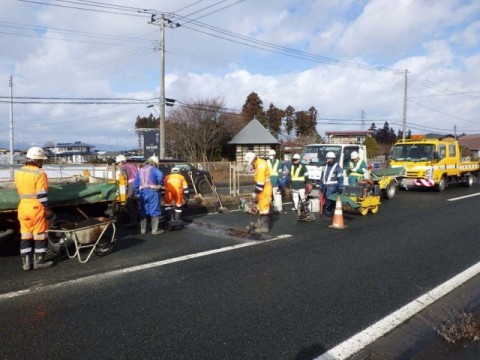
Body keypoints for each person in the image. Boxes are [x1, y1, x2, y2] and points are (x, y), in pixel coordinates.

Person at [14, 146, 54, 271]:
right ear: (37, 161)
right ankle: (39, 262)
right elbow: (41, 194)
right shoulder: (40, 173)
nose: (42, 163)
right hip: (36, 208)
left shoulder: (19, 172)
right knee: (40, 235)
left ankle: (26, 263)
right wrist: (47, 208)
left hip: (23, 207)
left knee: (25, 235)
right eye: (41, 160)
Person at [133, 155, 165, 235]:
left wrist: (137, 192)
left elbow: (135, 184)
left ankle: (143, 230)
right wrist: (160, 184)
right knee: (154, 210)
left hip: (142, 193)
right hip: (153, 192)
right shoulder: (154, 169)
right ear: (155, 163)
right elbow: (160, 175)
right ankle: (154, 230)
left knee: (143, 210)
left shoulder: (140, 170)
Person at [245, 151, 272, 233]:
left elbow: (260, 183)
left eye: (251, 163)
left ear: (253, 160)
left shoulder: (260, 166)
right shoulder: (259, 163)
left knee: (264, 208)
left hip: (265, 188)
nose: (251, 165)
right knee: (261, 206)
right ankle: (260, 223)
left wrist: (255, 192)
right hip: (263, 188)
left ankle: (264, 227)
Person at [116, 155, 139, 227]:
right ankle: (138, 219)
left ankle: (133, 222)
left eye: (118, 163)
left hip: (131, 186)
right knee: (136, 203)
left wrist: (123, 190)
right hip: (137, 185)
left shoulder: (123, 167)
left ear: (121, 162)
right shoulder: (132, 165)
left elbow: (124, 179)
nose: (118, 165)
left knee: (130, 203)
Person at [320, 151, 344, 221]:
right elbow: (322, 177)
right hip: (325, 186)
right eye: (327, 158)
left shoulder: (338, 167)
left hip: (333, 187)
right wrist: (321, 186)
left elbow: (340, 178)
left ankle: (328, 214)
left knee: (329, 201)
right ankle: (329, 213)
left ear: (333, 159)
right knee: (327, 201)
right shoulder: (325, 166)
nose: (328, 159)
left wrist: (340, 187)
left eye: (329, 158)